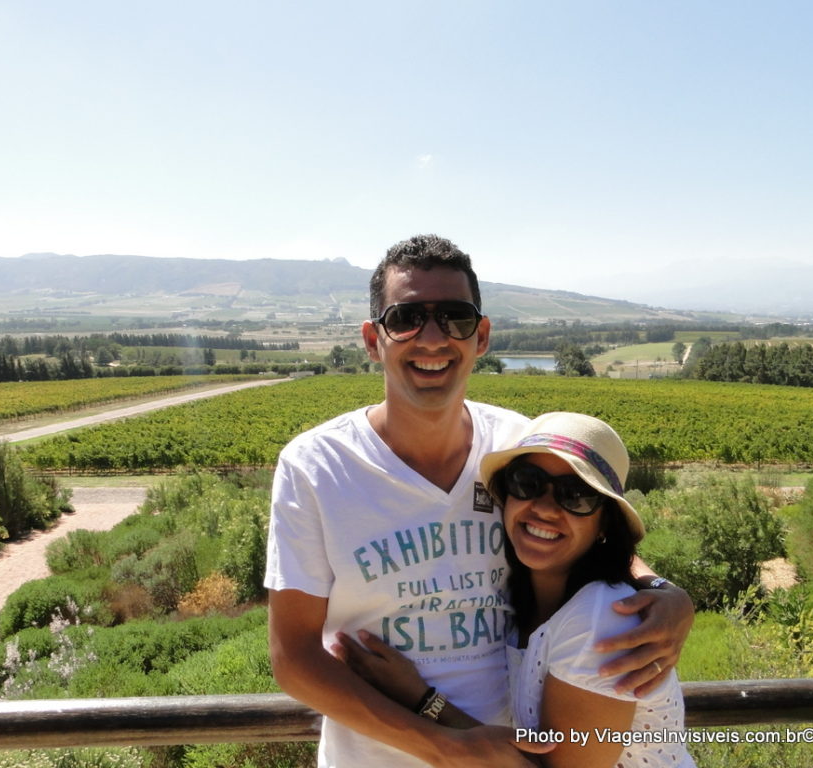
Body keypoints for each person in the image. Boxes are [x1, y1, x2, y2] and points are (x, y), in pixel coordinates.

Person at [264, 234, 694, 767]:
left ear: (482, 335)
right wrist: (443, 745)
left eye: (455, 317)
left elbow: (579, 530)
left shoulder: (517, 448)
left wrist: (664, 591)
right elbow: (294, 658)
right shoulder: (316, 465)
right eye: (405, 318)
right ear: (373, 340)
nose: (432, 337)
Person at [334, 412, 697, 767]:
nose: (543, 508)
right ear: (506, 496)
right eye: (528, 482)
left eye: (576, 496)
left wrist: (421, 698)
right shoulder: (518, 594)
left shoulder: (602, 621)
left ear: (605, 524)